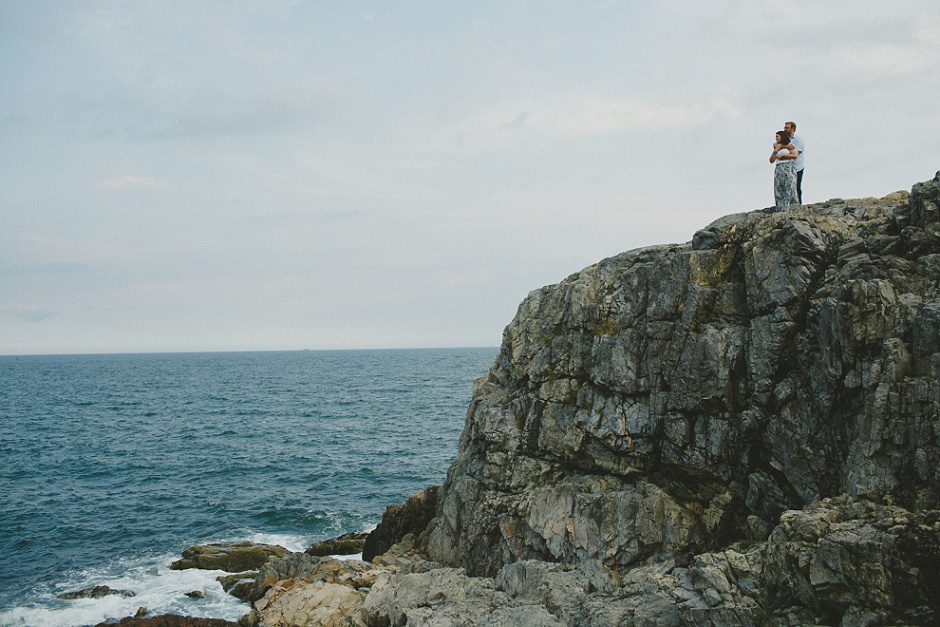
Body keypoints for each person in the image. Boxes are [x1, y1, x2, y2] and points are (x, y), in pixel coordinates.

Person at [769, 130, 799, 211]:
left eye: (777, 136)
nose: (776, 138)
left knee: (789, 186)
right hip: (779, 167)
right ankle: (780, 207)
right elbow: (771, 160)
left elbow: (795, 155)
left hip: (788, 166)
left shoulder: (790, 145)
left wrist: (785, 155)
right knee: (779, 187)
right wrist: (775, 151)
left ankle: (791, 206)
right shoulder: (776, 146)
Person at [784, 120, 805, 203]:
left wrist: (784, 152)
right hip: (786, 169)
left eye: (787, 128)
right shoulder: (783, 140)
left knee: (796, 187)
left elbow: (796, 154)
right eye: (784, 128)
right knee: (786, 188)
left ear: (793, 129)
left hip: (797, 168)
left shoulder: (798, 140)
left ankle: (798, 205)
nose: (785, 129)